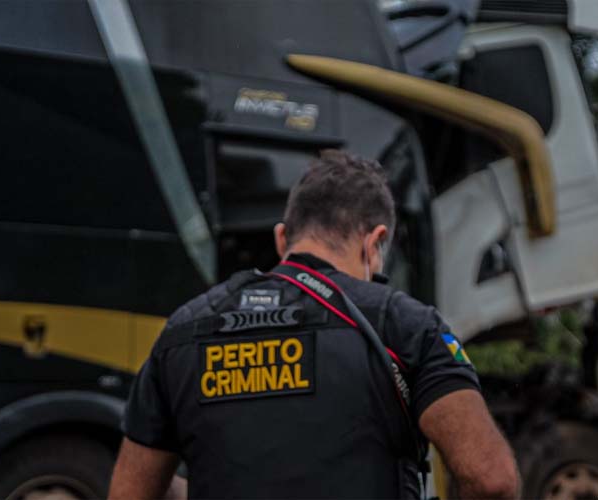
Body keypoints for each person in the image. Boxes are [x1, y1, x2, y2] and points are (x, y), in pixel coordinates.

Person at [109, 150, 518, 499]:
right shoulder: (403, 325)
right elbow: (491, 479)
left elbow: (131, 493)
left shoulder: (183, 333)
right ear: (374, 243)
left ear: (281, 238)